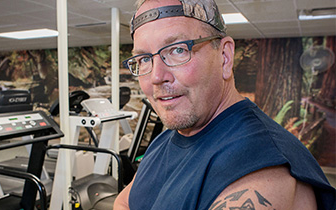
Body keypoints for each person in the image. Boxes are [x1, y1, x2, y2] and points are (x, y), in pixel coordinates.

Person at [114, 0, 336, 209]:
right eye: (144, 59)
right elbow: (123, 202)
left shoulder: (262, 166)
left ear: (225, 57)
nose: (156, 76)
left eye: (178, 50)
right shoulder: (166, 140)